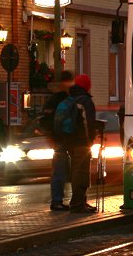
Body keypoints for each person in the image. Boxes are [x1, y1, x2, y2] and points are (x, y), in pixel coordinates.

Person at [60, 74, 97, 213]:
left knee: (76, 171)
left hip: (70, 141)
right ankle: (77, 204)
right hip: (82, 142)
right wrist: (90, 139)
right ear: (87, 86)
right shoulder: (85, 101)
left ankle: (81, 201)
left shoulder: (70, 98)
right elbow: (88, 122)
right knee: (82, 173)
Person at [41, 70, 74, 211]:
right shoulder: (64, 99)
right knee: (62, 171)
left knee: (61, 170)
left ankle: (59, 199)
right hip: (63, 139)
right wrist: (54, 137)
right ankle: (57, 200)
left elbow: (44, 120)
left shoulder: (53, 99)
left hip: (59, 139)